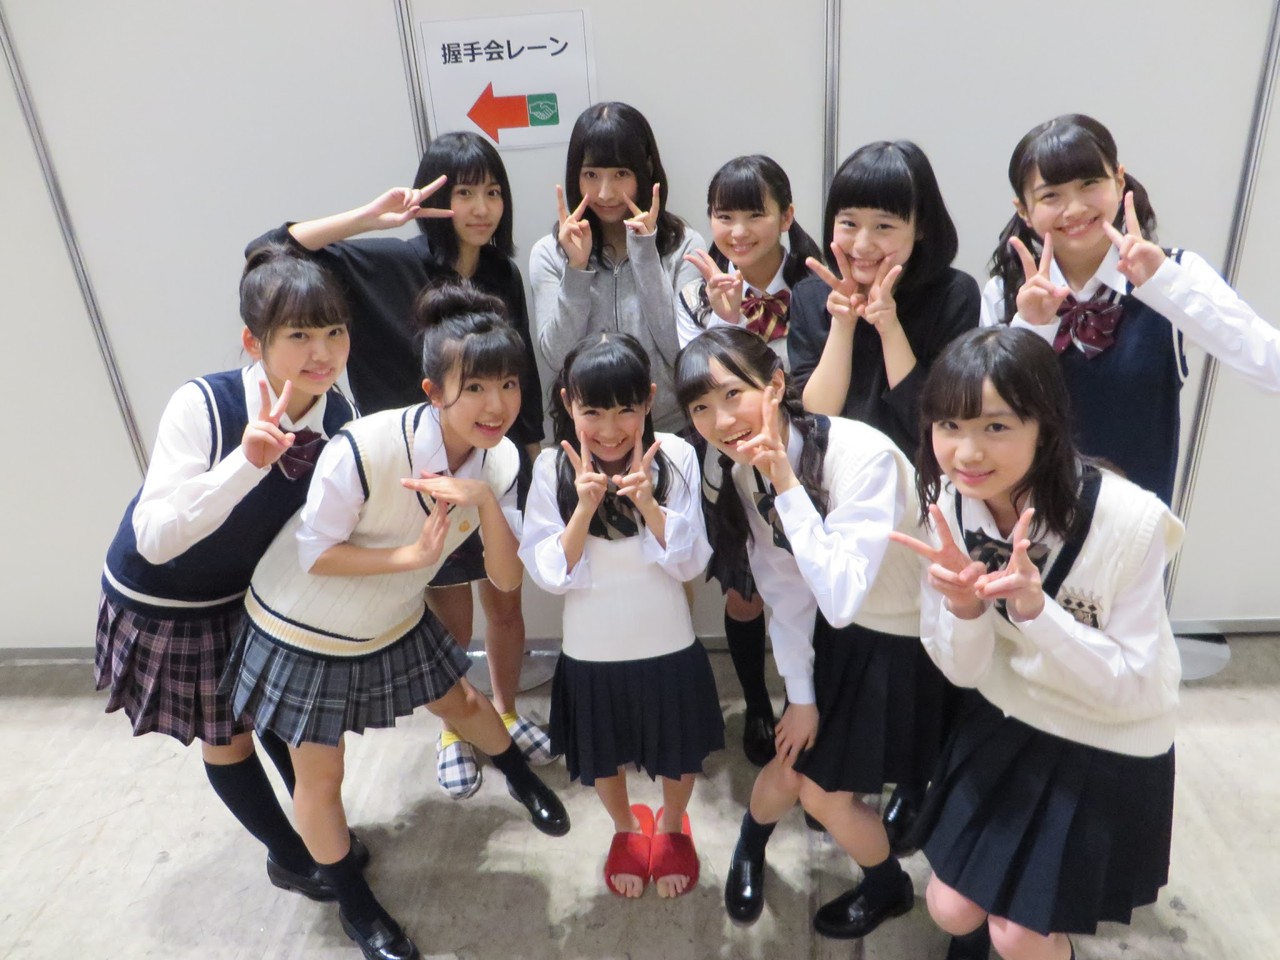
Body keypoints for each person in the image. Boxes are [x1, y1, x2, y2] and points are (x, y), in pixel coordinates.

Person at [223, 283, 569, 960]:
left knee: (461, 699)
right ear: (433, 391)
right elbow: (315, 554)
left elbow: (505, 579)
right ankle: (358, 910)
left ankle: (521, 778)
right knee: (322, 778)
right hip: (303, 626)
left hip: (390, 612)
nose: (496, 405)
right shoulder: (364, 446)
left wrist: (483, 502)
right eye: (475, 387)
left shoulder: (499, 459)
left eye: (508, 384)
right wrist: (410, 557)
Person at [248, 131, 553, 800]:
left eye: (493, 191)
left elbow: (517, 374)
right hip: (409, 476)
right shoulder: (387, 262)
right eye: (464, 193)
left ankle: (504, 715)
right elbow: (271, 249)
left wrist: (529, 456)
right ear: (435, 200)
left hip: (486, 464)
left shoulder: (501, 274)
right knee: (449, 618)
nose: (481, 208)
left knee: (506, 605)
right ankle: (454, 731)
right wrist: (368, 217)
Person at [891, 326, 1183, 960]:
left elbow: (1133, 685)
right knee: (949, 908)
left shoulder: (1129, 524)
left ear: (1045, 428)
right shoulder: (946, 505)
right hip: (1011, 710)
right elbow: (964, 673)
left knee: (1018, 935)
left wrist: (1038, 613)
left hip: (1109, 733)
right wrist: (965, 609)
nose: (967, 452)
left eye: (996, 427)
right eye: (949, 425)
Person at [96, 245, 357, 898]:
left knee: (279, 719)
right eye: (299, 335)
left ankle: (321, 836)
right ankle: (290, 856)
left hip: (252, 596)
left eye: (335, 331)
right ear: (253, 341)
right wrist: (245, 463)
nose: (323, 351)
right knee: (229, 738)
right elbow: (155, 537)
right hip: (170, 601)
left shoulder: (338, 416)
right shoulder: (204, 404)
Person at [675, 326, 928, 939]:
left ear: (776, 385)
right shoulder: (747, 472)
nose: (720, 420)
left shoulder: (860, 456)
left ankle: (887, 882)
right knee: (795, 758)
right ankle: (752, 847)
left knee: (819, 792)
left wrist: (785, 482)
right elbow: (785, 589)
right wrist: (801, 695)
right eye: (701, 407)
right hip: (846, 632)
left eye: (733, 394)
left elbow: (840, 595)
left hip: (913, 640)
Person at [789, 139, 978, 844]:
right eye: (849, 222)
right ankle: (848, 780)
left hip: (925, 505)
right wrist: (842, 323)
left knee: (919, 653)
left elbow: (937, 423)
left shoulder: (954, 294)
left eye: (885, 225)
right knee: (848, 639)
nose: (862, 243)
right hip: (846, 502)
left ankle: (915, 783)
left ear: (920, 228)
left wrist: (888, 322)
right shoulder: (811, 294)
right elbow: (817, 418)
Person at [983, 112, 1280, 506]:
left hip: (1135, 528)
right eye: (1051, 195)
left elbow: (1272, 367)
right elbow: (986, 424)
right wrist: (1030, 328)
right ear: (1024, 209)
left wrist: (1165, 285)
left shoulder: (1177, 271)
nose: (1074, 208)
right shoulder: (1005, 292)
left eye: (1089, 184)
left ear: (1119, 180)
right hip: (1024, 524)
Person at [520, 333, 722, 899]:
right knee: (602, 754)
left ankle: (674, 825)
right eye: (593, 412)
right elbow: (548, 572)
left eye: (625, 410)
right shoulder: (552, 468)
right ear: (568, 403)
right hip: (590, 647)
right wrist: (583, 509)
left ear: (649, 400)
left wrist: (649, 505)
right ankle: (626, 827)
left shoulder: (675, 455)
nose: (609, 429)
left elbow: (691, 564)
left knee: (678, 750)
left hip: (667, 638)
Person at [675, 155, 822, 767]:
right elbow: (703, 392)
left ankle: (810, 701)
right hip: (732, 472)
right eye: (723, 215)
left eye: (754, 214)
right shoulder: (695, 295)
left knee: (820, 588)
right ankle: (759, 705)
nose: (737, 231)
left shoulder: (818, 286)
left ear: (786, 217)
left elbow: (822, 389)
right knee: (746, 594)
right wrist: (727, 319)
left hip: (811, 466)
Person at [529, 101, 706, 433]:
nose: (605, 192)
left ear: (645, 170)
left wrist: (645, 252)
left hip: (672, 429)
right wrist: (577, 268)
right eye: (591, 175)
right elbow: (557, 357)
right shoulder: (549, 253)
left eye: (621, 174)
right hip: (587, 432)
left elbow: (682, 353)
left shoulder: (685, 246)